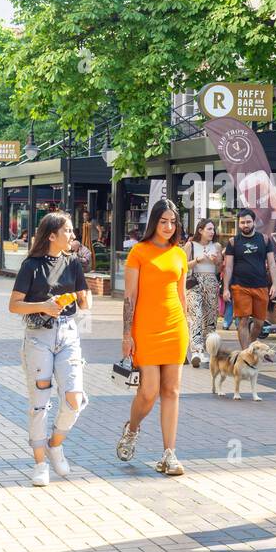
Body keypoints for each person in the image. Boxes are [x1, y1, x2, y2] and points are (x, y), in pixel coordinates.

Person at [9, 212, 90, 487]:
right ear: (51, 235)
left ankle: (55, 443)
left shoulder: (74, 263)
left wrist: (84, 295)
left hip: (68, 333)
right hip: (38, 336)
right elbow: (14, 305)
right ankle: (40, 463)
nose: (72, 234)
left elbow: (84, 300)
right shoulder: (31, 266)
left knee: (74, 398)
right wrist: (43, 305)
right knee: (39, 402)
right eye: (67, 230)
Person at [116, 199, 190, 477]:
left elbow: (181, 296)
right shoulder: (139, 252)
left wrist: (188, 330)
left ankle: (169, 454)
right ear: (154, 223)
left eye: (173, 222)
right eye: (163, 221)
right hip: (145, 329)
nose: (169, 227)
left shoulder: (179, 254)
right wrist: (126, 334)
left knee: (171, 391)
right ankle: (132, 429)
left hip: (175, 328)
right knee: (148, 392)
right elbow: (129, 296)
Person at [223, 209, 276, 350]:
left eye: (248, 222)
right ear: (239, 224)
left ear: (254, 222)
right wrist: (225, 288)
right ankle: (246, 353)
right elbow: (228, 267)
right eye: (242, 222)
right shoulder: (233, 242)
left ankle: (250, 346)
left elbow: (271, 263)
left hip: (261, 285)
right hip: (240, 286)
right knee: (243, 321)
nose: (245, 225)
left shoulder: (264, 240)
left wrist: (275, 284)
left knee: (259, 323)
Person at [184, 218, 223, 367]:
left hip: (211, 283)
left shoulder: (217, 246)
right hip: (194, 283)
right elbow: (183, 266)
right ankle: (196, 351)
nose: (212, 232)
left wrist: (216, 261)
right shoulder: (190, 245)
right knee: (196, 316)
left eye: (213, 229)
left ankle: (209, 351)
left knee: (210, 319)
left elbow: (219, 269)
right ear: (200, 230)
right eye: (209, 229)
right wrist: (197, 261)